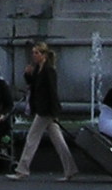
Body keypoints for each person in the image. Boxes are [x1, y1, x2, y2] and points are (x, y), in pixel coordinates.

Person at [8, 43, 78, 181]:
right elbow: (33, 86)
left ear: (43, 55)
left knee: (32, 138)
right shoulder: (38, 69)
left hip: (45, 111)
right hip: (44, 110)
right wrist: (27, 75)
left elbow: (52, 92)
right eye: (33, 53)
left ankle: (22, 169)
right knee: (58, 141)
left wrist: (54, 111)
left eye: (36, 53)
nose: (33, 55)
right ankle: (70, 169)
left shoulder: (49, 70)